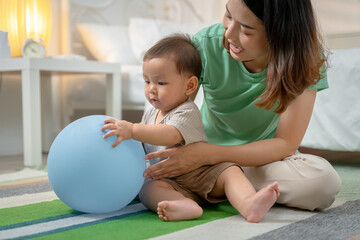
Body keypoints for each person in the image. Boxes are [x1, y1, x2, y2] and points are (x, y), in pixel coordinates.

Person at [142, 0, 342, 211]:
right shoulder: (206, 44)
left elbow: (285, 143)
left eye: (246, 30)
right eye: (228, 16)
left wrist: (208, 155)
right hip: (201, 161)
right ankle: (228, 187)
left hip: (258, 161)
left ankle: (224, 186)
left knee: (323, 182)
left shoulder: (305, 58)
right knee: (150, 177)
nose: (229, 34)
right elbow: (170, 115)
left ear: (280, 35)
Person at [101, 34, 280, 222]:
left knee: (230, 171)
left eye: (160, 83)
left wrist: (133, 130)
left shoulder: (186, 110)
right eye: (147, 81)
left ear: (190, 86)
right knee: (148, 189)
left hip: (201, 173)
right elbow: (143, 148)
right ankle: (182, 204)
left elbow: (170, 134)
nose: (151, 89)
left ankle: (248, 203)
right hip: (169, 180)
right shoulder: (150, 114)